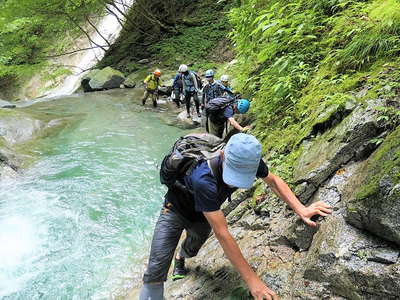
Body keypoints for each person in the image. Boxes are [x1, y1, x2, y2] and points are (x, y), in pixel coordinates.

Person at [139, 133, 333, 300]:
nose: (234, 183)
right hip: (174, 210)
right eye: (233, 173)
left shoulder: (248, 159)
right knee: (155, 271)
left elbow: (273, 181)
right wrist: (253, 282)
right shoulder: (203, 178)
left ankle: (181, 257)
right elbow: (223, 233)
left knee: (192, 248)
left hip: (204, 215)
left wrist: (301, 209)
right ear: (223, 154)